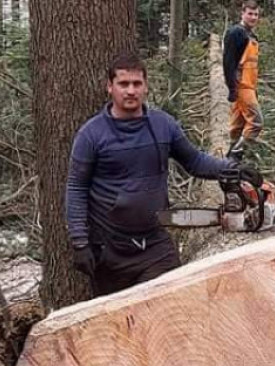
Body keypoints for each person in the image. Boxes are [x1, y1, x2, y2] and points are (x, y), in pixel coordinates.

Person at [66, 52, 259, 297]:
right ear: (109, 87)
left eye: (137, 84)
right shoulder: (91, 135)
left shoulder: (163, 125)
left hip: (155, 244)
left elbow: (195, 162)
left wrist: (232, 169)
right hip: (109, 250)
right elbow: (76, 188)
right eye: (123, 84)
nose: (130, 91)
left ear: (146, 86)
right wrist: (80, 242)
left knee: (174, 303)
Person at [223, 1, 263, 160]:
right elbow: (228, 62)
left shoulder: (251, 36)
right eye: (250, 14)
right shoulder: (236, 33)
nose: (253, 17)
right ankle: (236, 155)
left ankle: (229, 163)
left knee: (237, 127)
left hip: (249, 86)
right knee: (256, 123)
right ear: (243, 14)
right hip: (241, 87)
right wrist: (232, 88)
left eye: (256, 14)